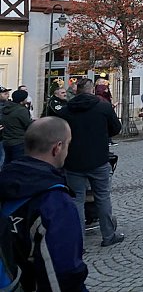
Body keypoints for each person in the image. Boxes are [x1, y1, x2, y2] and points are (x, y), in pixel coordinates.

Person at [0, 118, 88, 291]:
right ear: (58, 148)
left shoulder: (5, 179)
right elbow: (64, 271)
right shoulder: (54, 201)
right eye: (68, 144)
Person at [57, 77, 124, 247]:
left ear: (76, 91)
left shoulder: (65, 110)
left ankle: (78, 242)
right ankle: (108, 235)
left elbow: (58, 133)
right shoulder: (102, 107)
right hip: (98, 159)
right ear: (92, 90)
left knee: (77, 200)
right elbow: (116, 128)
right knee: (102, 197)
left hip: (73, 162)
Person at [1, 89, 33, 165]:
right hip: (19, 141)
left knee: (7, 163)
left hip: (6, 140)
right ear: (22, 100)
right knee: (18, 164)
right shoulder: (21, 110)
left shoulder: (6, 108)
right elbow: (28, 125)